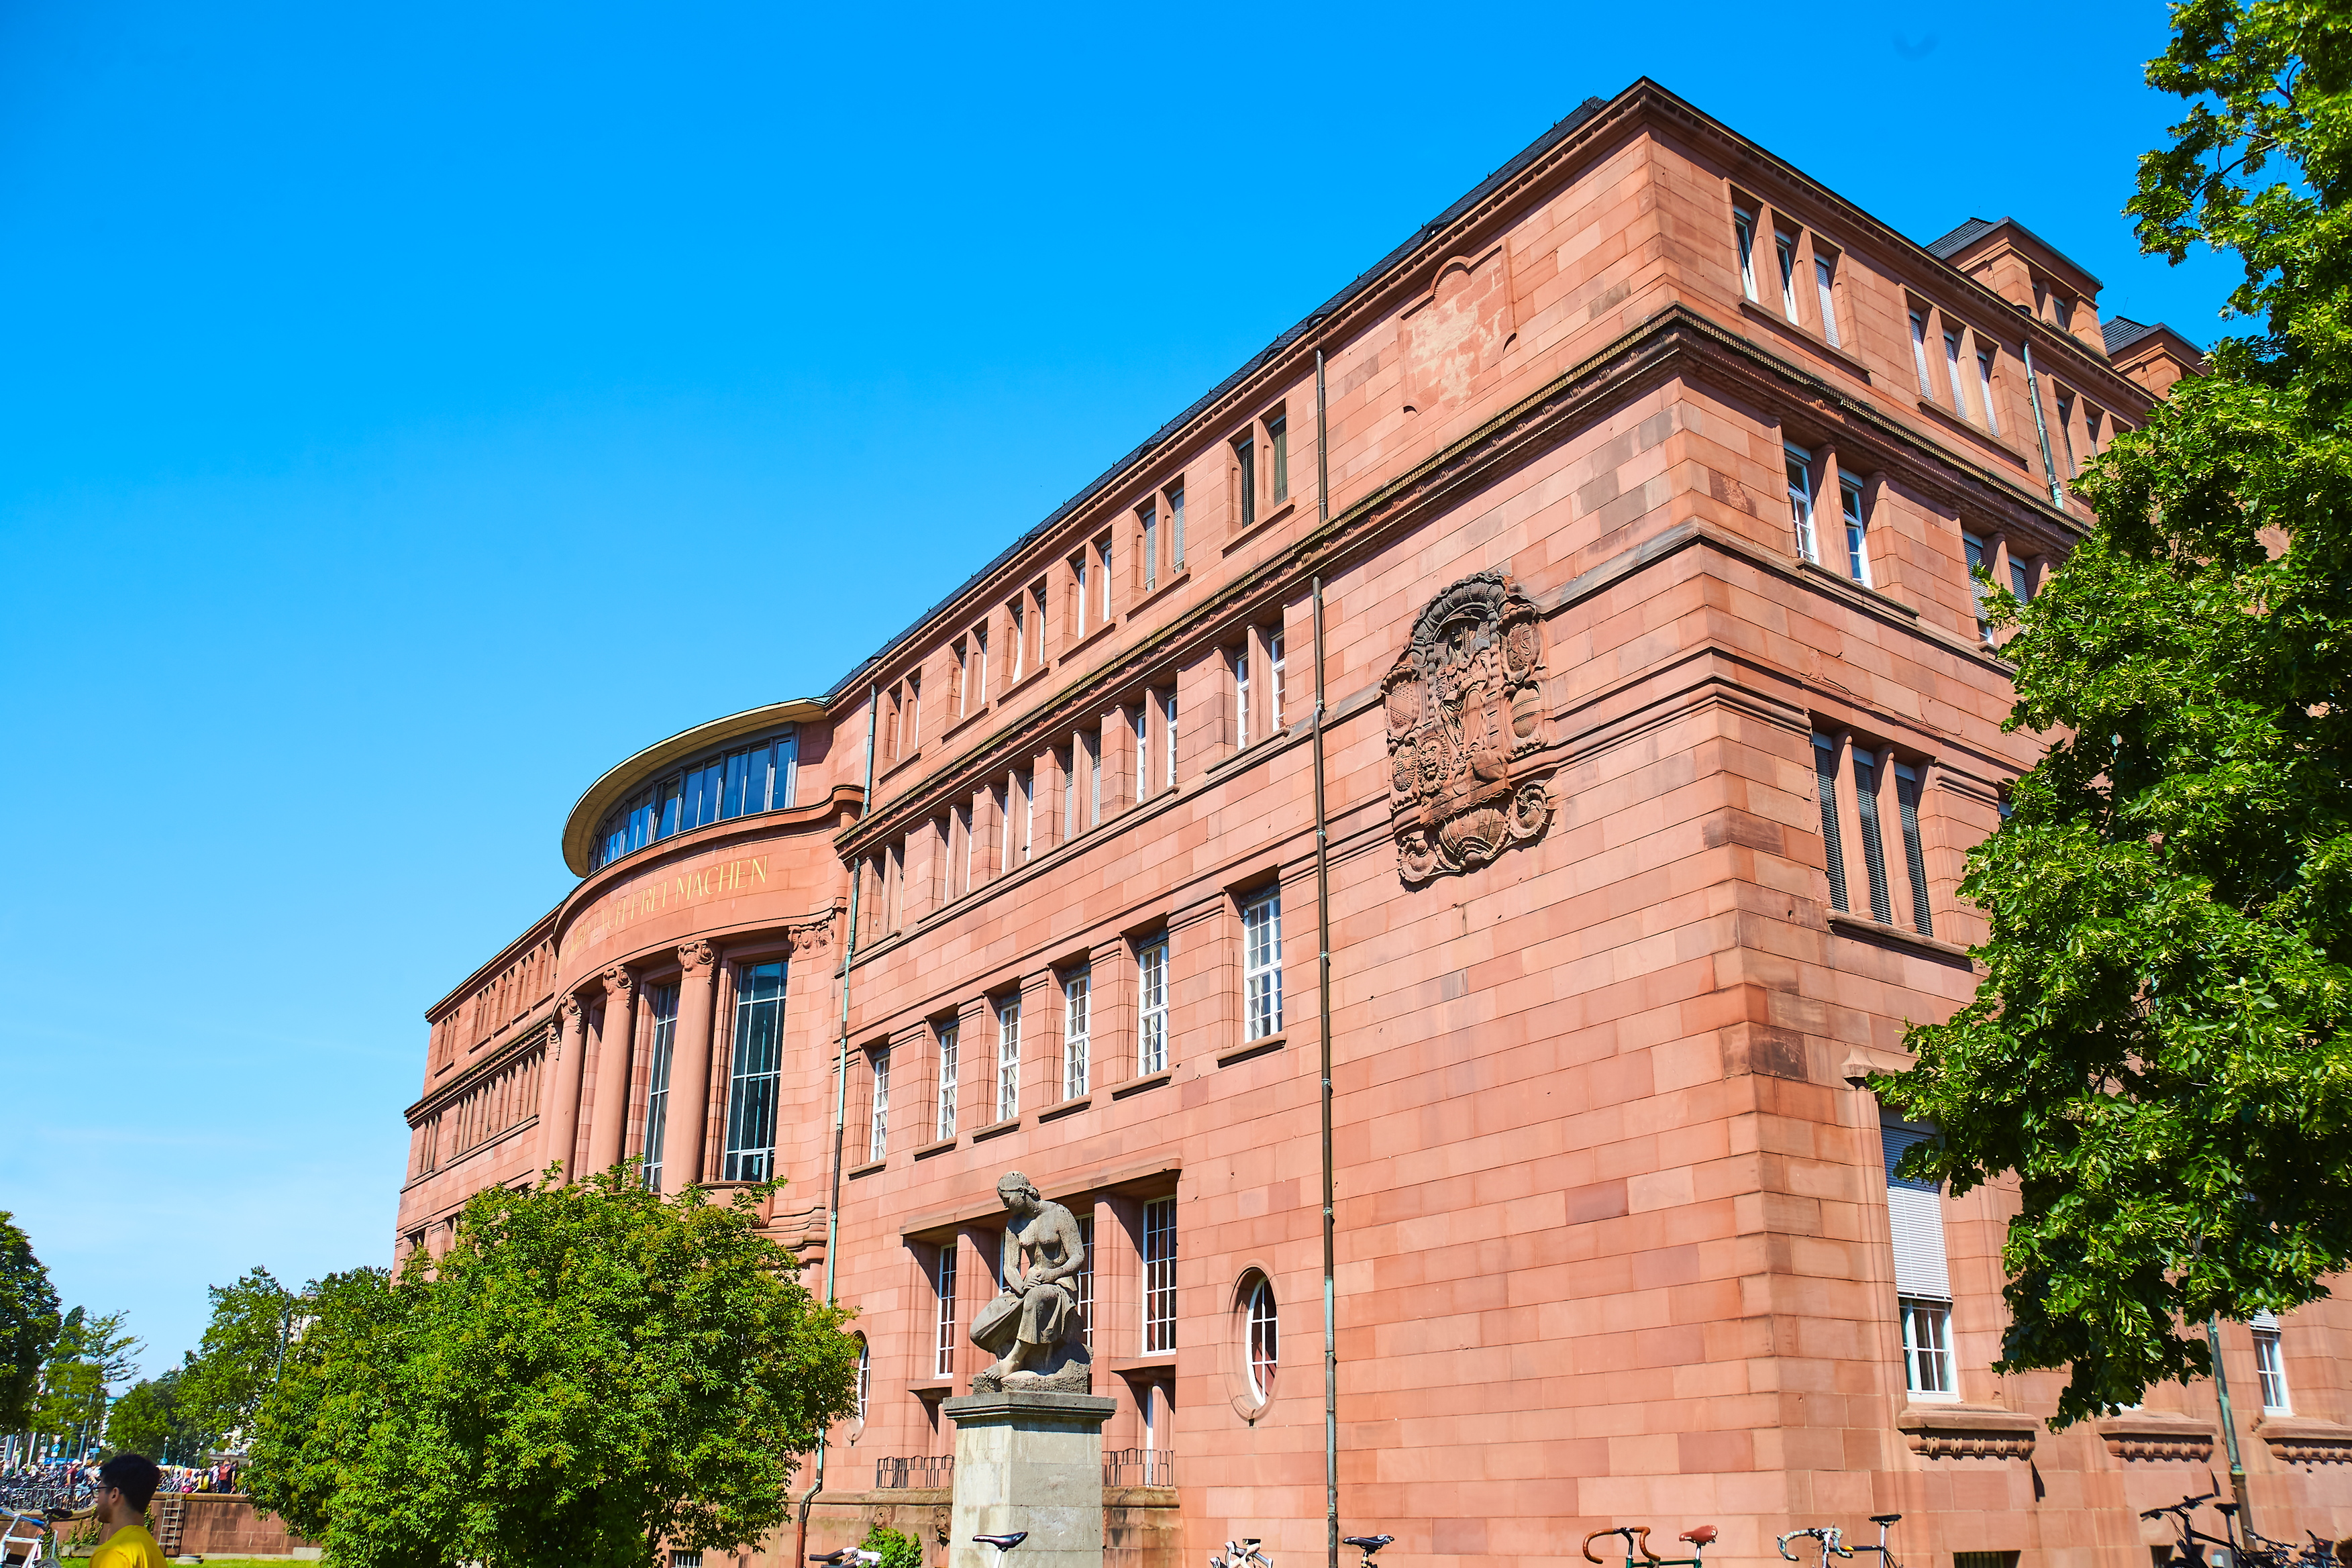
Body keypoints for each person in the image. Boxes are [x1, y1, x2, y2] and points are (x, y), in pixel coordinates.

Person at [80, 1453, 165, 1568]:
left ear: (114, 1494)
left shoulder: (113, 1554)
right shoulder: (152, 1549)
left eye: (98, 1491)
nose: (97, 1499)